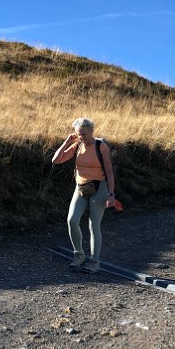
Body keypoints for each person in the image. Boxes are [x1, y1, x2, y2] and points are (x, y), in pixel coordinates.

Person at [51, 117, 117, 273]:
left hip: (99, 188)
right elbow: (56, 160)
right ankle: (78, 255)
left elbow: (109, 173)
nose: (82, 137)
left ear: (91, 131)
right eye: (79, 134)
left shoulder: (101, 147)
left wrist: (111, 194)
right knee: (72, 220)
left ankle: (94, 262)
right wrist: (67, 142)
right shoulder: (77, 146)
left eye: (84, 134)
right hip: (81, 188)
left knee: (94, 225)